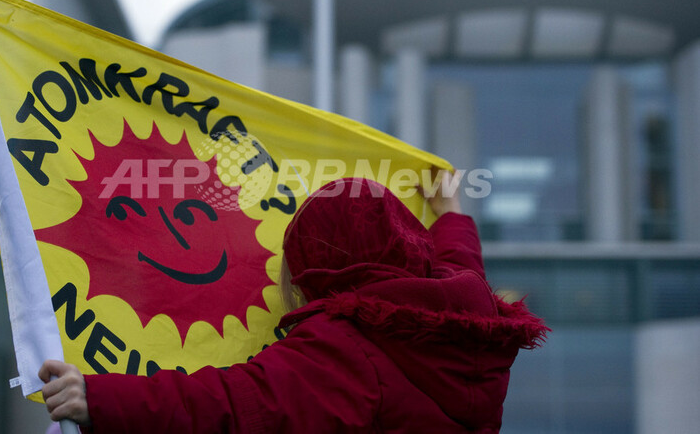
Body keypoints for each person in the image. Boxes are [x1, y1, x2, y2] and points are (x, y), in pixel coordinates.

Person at [40, 171, 548, 433]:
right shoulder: (466, 319)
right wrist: (452, 212)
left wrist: (99, 399)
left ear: (322, 268)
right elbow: (459, 263)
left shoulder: (344, 352)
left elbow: (226, 406)